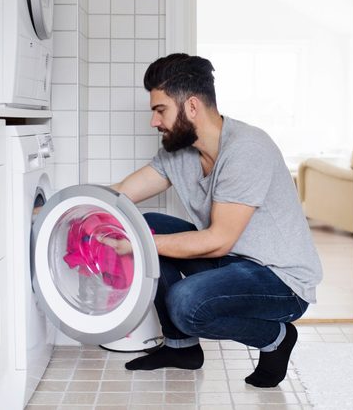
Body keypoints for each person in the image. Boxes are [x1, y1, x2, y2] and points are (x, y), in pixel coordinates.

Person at [110, 53, 322, 388]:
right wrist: (62, 208)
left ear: (191, 106)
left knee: (185, 301)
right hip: (233, 262)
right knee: (147, 223)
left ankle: (276, 337)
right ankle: (182, 350)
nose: (154, 121)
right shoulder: (177, 152)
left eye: (160, 109)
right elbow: (122, 193)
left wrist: (137, 244)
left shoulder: (247, 149)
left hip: (280, 281)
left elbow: (218, 240)